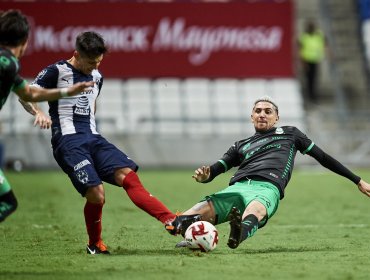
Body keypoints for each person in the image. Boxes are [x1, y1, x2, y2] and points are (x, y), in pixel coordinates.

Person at [30, 31, 195, 255]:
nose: (94, 67)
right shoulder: (56, 71)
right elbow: (26, 94)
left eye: (98, 62)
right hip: (68, 142)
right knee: (97, 194)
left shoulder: (97, 76)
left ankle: (171, 220)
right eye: (90, 63)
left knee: (129, 176)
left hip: (93, 138)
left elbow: (92, 103)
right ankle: (95, 244)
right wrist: (38, 112)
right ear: (76, 54)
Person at [165, 96, 370, 249]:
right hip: (236, 188)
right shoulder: (240, 145)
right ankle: (193, 235)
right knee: (178, 221)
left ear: (277, 117)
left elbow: (323, 158)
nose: (262, 114)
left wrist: (357, 180)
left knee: (255, 210)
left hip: (267, 187)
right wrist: (204, 177)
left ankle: (238, 234)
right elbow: (215, 170)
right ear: (252, 116)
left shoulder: (291, 134)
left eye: (268, 111)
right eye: (258, 110)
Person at [0, 10, 94, 223]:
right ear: (25, 41)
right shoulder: (7, 61)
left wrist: (66, 93)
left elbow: (29, 94)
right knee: (7, 202)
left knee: (7, 201)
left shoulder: (9, 67)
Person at [298, 20, 327, 103]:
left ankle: (313, 95)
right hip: (307, 60)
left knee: (314, 79)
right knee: (309, 79)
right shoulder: (304, 37)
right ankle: (310, 96)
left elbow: (324, 44)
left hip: (315, 60)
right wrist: (303, 62)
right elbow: (300, 49)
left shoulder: (318, 35)